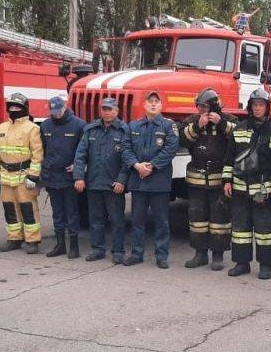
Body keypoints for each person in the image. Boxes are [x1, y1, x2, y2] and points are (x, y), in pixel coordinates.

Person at [222, 89, 271, 280]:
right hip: (240, 189)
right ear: (250, 107)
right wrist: (227, 181)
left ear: (267, 108)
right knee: (240, 229)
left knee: (265, 230)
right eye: (255, 105)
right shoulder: (239, 129)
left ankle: (265, 265)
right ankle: (241, 263)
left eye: (261, 105)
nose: (258, 108)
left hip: (264, 190)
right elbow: (229, 158)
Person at [122, 92, 179, 268]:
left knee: (161, 222)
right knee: (137, 222)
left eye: (157, 102)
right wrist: (137, 166)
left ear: (161, 106)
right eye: (150, 102)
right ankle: (137, 254)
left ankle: (161, 256)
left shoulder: (169, 126)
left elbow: (170, 150)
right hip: (138, 182)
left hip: (158, 183)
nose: (153, 105)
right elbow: (125, 148)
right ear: (145, 105)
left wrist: (152, 166)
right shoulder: (133, 126)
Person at [180, 88, 234, 270]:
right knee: (197, 219)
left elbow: (239, 138)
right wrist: (197, 127)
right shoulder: (192, 121)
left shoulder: (228, 120)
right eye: (199, 107)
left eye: (205, 108)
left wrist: (222, 124)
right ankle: (200, 254)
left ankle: (218, 256)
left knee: (220, 219)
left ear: (214, 107)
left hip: (219, 180)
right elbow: (181, 140)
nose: (201, 111)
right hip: (196, 180)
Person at [74, 97, 129, 264]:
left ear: (117, 111)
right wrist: (78, 177)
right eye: (104, 109)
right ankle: (98, 249)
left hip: (114, 186)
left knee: (117, 220)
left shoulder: (124, 131)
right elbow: (80, 155)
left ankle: (118, 251)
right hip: (93, 183)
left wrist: (122, 180)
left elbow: (128, 159)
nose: (106, 112)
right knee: (96, 220)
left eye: (110, 109)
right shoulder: (91, 130)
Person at [0, 93, 44, 254]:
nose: (13, 109)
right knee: (9, 209)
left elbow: (37, 155)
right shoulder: (0, 128)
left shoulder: (32, 128)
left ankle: (33, 240)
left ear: (24, 108)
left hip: (24, 176)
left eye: (17, 107)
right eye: (11, 106)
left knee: (28, 209)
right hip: (6, 177)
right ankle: (14, 238)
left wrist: (33, 176)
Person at [40, 95, 86, 258]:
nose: (56, 114)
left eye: (58, 111)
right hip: (52, 176)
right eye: (53, 112)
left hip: (69, 177)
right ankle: (60, 245)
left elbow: (85, 150)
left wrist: (78, 166)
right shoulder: (45, 125)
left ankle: (74, 246)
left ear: (65, 107)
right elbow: (43, 150)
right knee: (57, 213)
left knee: (72, 212)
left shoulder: (79, 125)